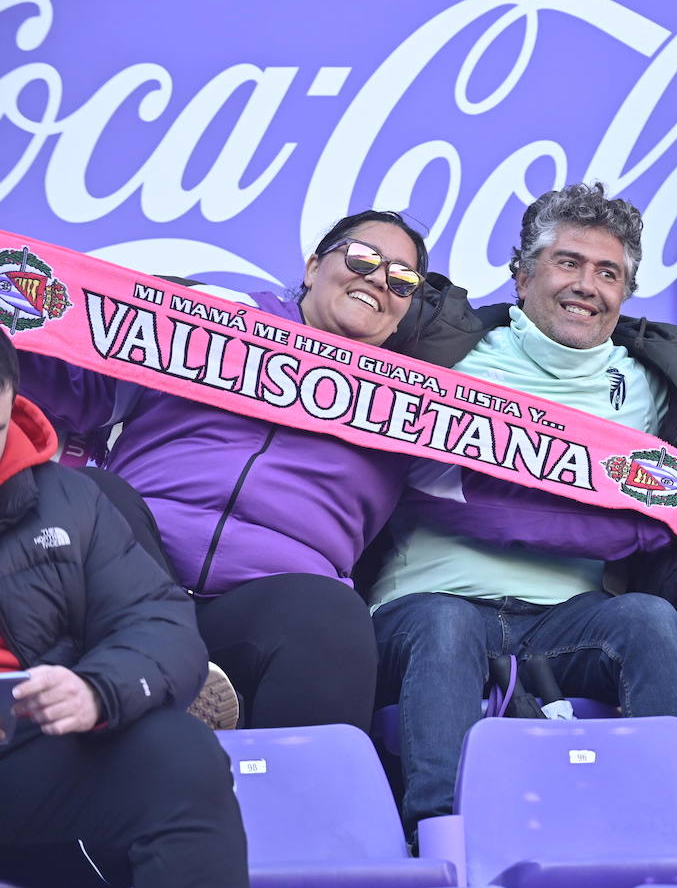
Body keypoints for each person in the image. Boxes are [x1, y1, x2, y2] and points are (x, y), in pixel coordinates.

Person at [370, 183, 677, 835]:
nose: (587, 284)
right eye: (568, 263)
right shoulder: (449, 356)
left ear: (625, 293)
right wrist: (592, 522)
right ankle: (445, 846)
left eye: (607, 272)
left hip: (565, 622)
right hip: (429, 609)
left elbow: (674, 511)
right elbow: (429, 488)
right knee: (446, 626)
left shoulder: (654, 386)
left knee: (648, 618)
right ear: (521, 275)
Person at [19, 210, 437, 732]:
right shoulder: (209, 321)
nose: (378, 278)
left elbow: (496, 494)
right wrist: (20, 328)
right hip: (133, 581)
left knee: (333, 611)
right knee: (90, 493)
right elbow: (80, 388)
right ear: (312, 266)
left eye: (402, 279)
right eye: (363, 257)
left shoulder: (415, 408)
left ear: (403, 314)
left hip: (264, 607)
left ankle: (206, 712)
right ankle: (163, 670)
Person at [0, 331, 251, 888]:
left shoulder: (69, 502)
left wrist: (97, 690)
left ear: (11, 395)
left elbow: (159, 623)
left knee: (178, 756)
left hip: (28, 771)